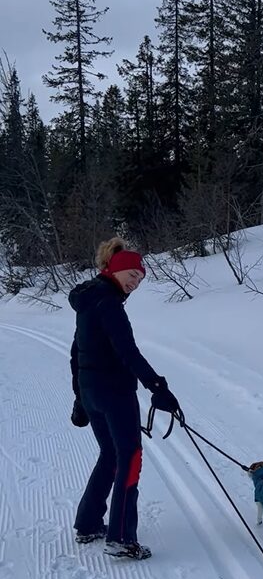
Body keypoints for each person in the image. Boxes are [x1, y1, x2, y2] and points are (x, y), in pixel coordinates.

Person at [69, 237, 180, 560]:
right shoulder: (109, 304)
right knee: (129, 458)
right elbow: (127, 351)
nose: (135, 282)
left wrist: (80, 396)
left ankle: (89, 522)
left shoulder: (89, 299)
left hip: (92, 389)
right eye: (131, 274)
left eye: (140, 278)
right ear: (114, 270)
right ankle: (120, 537)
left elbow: (77, 351)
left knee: (110, 455)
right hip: (114, 392)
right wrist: (157, 387)